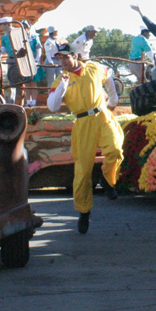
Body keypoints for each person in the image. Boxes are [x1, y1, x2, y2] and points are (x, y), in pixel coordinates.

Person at [46, 44, 123, 234]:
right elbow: (53, 107)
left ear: (75, 56)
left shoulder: (94, 68)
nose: (62, 61)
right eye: (59, 58)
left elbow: (109, 76)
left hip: (102, 116)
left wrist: (113, 101)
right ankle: (84, 211)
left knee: (115, 149)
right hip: (82, 122)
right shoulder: (60, 80)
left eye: (65, 57)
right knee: (82, 171)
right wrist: (63, 86)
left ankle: (107, 179)